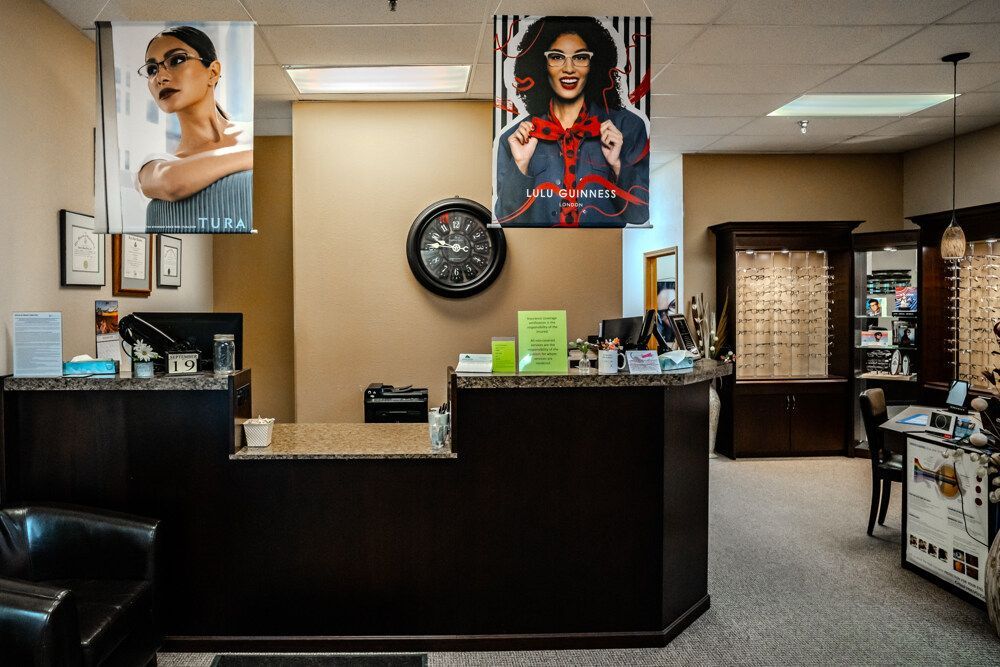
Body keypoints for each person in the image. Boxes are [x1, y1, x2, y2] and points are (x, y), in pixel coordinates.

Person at [495, 17, 649, 227]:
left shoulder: (628, 127)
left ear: (594, 64)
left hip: (602, 255)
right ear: (542, 65)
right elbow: (506, 220)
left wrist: (617, 164)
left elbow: (639, 215)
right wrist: (521, 165)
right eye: (557, 57)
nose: (569, 68)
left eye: (581, 57)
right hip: (541, 254)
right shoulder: (514, 139)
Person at [135, 26, 252, 202]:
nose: (160, 77)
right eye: (152, 69)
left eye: (177, 60)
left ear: (213, 73)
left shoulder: (253, 132)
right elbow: (170, 183)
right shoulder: (162, 163)